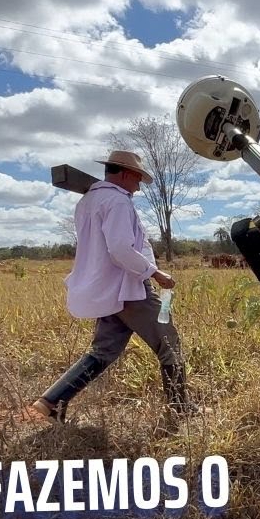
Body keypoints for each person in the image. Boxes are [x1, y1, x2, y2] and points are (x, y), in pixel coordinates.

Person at [30, 150, 192, 422]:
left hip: (106, 291)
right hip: (129, 288)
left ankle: (52, 400)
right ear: (127, 174)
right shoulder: (117, 201)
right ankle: (181, 410)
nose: (139, 186)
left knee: (103, 351)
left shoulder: (88, 201)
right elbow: (119, 248)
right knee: (169, 343)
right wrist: (155, 273)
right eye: (138, 179)